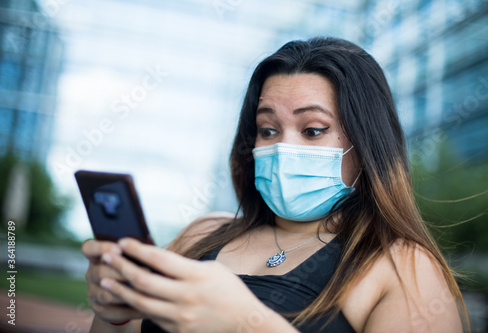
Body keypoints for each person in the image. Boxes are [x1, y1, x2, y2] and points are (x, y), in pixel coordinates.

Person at [82, 37, 468, 332]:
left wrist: (246, 323)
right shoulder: (201, 235)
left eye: (313, 130)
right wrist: (111, 311)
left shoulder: (403, 267)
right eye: (267, 129)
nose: (283, 147)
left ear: (367, 145)